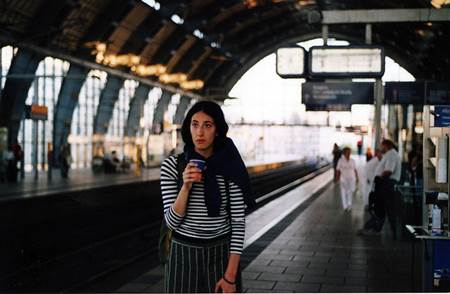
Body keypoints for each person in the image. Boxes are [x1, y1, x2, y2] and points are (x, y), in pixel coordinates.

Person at [160, 101, 254, 293]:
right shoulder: (172, 167)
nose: (200, 132)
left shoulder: (230, 167)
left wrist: (230, 276)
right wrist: (185, 187)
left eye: (207, 125)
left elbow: (238, 223)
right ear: (188, 128)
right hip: (182, 255)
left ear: (217, 130)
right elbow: (171, 223)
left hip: (220, 255)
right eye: (195, 124)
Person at [360, 139, 402, 235]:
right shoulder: (389, 154)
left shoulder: (391, 155)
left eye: (381, 146)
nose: (380, 148)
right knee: (379, 207)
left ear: (386, 145)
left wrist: (379, 179)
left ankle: (375, 229)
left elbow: (389, 171)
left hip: (387, 184)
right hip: (385, 183)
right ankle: (372, 227)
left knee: (380, 206)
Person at [336, 147, 358, 211]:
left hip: (351, 178)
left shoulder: (352, 160)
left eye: (350, 152)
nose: (349, 153)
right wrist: (337, 178)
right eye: (348, 152)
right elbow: (337, 170)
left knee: (350, 191)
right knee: (343, 192)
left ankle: (349, 205)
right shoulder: (340, 160)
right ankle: (345, 206)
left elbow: (355, 169)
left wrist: (357, 177)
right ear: (344, 153)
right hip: (343, 178)